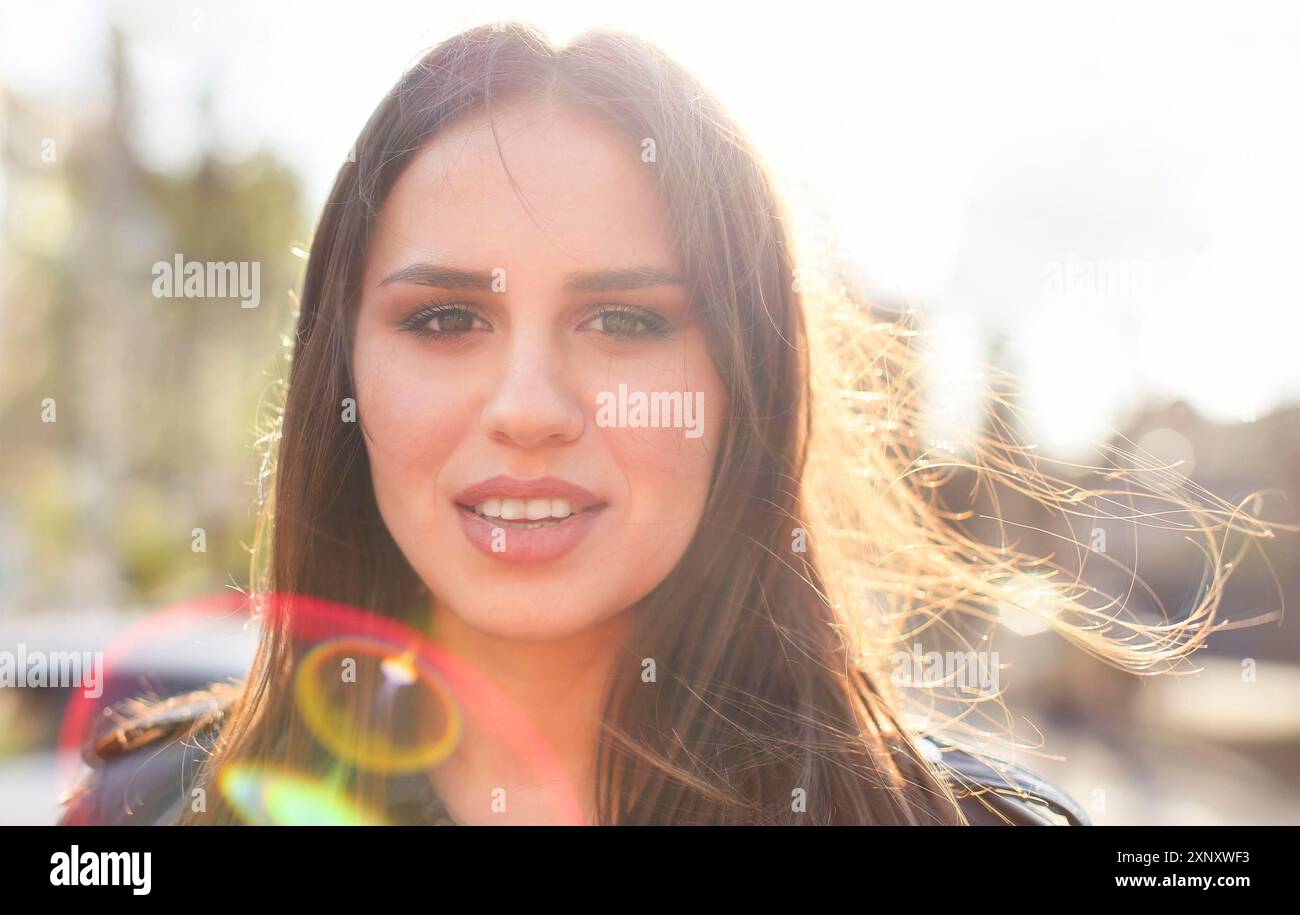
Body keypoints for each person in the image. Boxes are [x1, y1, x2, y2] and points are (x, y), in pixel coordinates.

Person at [57, 21, 1253, 826]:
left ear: (745, 381)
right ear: (343, 376)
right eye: (444, 320)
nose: (528, 409)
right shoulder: (143, 817)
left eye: (624, 321)